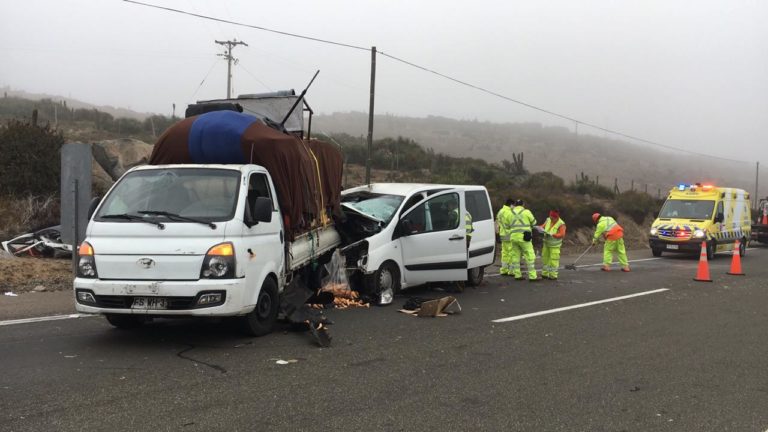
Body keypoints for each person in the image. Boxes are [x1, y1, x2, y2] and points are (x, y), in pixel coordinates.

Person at [505, 199, 539, 281]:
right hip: (524, 237)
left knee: (515, 256)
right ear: (523, 205)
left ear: (515, 205)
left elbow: (506, 226)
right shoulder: (526, 212)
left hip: (513, 237)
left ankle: (517, 275)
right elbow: (534, 222)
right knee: (529, 256)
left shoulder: (510, 213)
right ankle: (532, 276)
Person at [539, 209, 566, 280]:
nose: (550, 219)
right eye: (550, 217)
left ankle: (553, 275)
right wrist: (539, 228)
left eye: (552, 218)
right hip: (546, 243)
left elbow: (562, 234)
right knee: (545, 259)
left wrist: (554, 235)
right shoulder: (548, 220)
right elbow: (543, 226)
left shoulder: (561, 224)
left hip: (555, 246)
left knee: (553, 261)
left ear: (556, 217)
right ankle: (544, 274)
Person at [496, 198, 514, 275]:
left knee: (504, 253)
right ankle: (511, 271)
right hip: (510, 235)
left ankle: (504, 270)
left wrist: (497, 233)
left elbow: (497, 223)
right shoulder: (510, 212)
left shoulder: (500, 211)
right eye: (513, 205)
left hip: (503, 235)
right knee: (511, 253)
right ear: (511, 204)